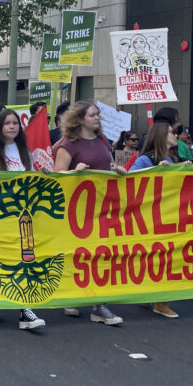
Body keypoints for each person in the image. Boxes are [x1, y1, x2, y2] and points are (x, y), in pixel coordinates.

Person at [0, 108, 48, 331]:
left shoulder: (24, 150)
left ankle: (24, 310)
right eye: (8, 123)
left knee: (23, 260)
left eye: (16, 123)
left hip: (21, 216)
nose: (12, 127)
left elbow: (31, 177)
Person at [53, 101, 125, 326]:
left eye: (98, 114)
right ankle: (75, 295)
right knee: (78, 254)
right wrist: (74, 172)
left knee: (101, 254)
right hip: (78, 211)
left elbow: (108, 165)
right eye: (93, 115)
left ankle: (98, 304)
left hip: (103, 207)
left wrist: (117, 170)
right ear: (80, 119)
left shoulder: (103, 141)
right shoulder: (68, 144)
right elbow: (58, 175)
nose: (98, 118)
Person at [128, 119, 189, 319]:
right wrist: (154, 171)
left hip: (165, 216)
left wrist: (183, 171)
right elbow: (129, 181)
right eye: (171, 132)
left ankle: (151, 295)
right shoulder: (145, 159)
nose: (175, 135)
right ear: (162, 136)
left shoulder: (171, 160)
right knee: (162, 258)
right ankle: (160, 302)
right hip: (149, 218)